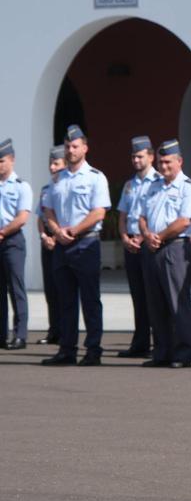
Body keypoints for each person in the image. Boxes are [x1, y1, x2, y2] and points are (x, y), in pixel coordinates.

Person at [41, 125, 110, 366]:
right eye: (68, 147)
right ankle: (66, 350)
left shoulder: (95, 177)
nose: (71, 150)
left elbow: (99, 212)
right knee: (65, 301)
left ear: (85, 148)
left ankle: (93, 350)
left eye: (75, 146)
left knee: (91, 300)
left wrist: (73, 230)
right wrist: (57, 230)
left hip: (86, 244)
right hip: (62, 245)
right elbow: (47, 209)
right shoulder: (57, 179)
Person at [138, 139, 191, 368]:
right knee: (156, 304)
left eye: (168, 162)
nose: (163, 167)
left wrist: (160, 236)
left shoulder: (189, 188)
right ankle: (162, 352)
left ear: (179, 161)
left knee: (177, 302)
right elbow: (142, 216)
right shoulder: (153, 186)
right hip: (153, 247)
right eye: (161, 162)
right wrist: (146, 234)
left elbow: (185, 221)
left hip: (175, 248)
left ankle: (182, 353)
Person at [115, 135, 161, 358]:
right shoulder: (129, 184)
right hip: (131, 243)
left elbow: (157, 217)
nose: (136, 160)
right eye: (133, 156)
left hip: (149, 242)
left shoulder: (159, 182)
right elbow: (123, 215)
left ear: (151, 157)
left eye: (140, 156)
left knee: (153, 295)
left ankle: (159, 342)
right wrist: (124, 237)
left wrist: (142, 238)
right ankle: (140, 342)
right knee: (138, 296)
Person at [0, 138, 33, 349]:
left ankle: (20, 334)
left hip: (12, 241)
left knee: (16, 288)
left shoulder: (22, 186)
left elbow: (22, 217)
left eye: (1, 160)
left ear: (11, 160)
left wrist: (2, 232)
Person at [35, 146, 66, 346]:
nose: (52, 167)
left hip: (62, 242)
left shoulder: (65, 188)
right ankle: (53, 330)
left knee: (64, 290)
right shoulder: (46, 189)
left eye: (56, 163)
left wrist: (55, 236)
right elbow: (41, 217)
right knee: (50, 290)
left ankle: (65, 331)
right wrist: (43, 236)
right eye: (51, 163)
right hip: (47, 243)